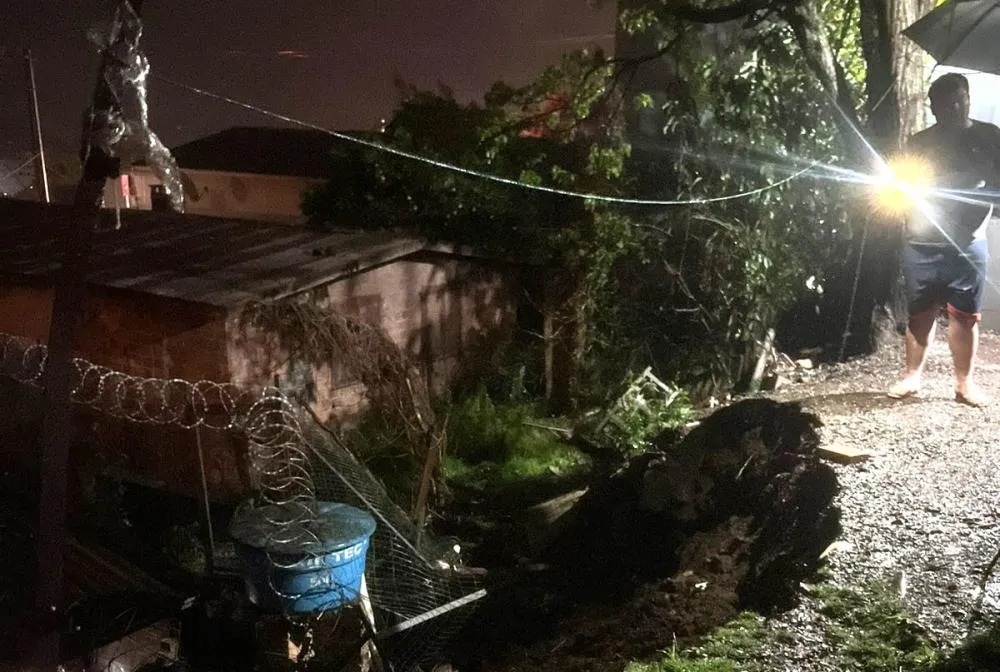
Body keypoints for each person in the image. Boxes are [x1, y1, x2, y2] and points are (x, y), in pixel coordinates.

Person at [888, 73, 1000, 407]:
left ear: (967, 98)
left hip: (969, 240)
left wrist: (982, 191)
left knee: (965, 315)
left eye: (960, 99)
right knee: (920, 312)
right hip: (923, 238)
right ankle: (912, 377)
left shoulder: (990, 136)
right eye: (945, 102)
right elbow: (902, 186)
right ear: (933, 107)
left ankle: (964, 383)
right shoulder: (919, 142)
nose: (954, 107)